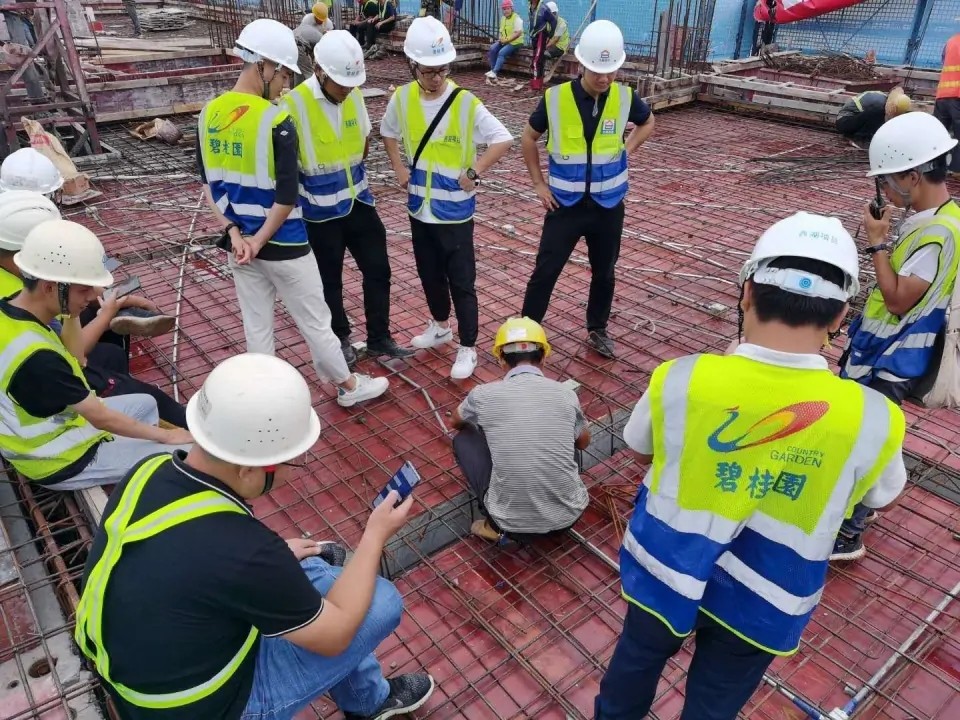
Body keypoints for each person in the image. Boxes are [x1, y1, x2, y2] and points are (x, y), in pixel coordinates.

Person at [596, 212, 907, 720]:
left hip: (667, 567)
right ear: (839, 317)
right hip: (768, 593)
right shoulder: (874, 417)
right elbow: (880, 495)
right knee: (714, 704)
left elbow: (640, 447)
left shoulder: (682, 378)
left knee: (635, 666)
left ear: (746, 293)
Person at [74, 352, 435, 720]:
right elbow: (336, 636)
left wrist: (277, 555)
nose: (294, 472)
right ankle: (365, 703)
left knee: (313, 572)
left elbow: (192, 557)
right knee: (380, 600)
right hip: (202, 708)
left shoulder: (149, 470)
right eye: (291, 461)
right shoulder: (246, 551)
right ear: (249, 470)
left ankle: (366, 700)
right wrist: (375, 534)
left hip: (138, 673)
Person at [197, 18, 388, 407]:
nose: (286, 83)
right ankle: (349, 387)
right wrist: (260, 239)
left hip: (240, 248)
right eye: (283, 72)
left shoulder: (208, 115)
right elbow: (286, 196)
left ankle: (265, 399)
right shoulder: (275, 118)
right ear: (263, 65)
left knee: (257, 327)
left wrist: (237, 236)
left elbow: (209, 185)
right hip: (283, 241)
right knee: (316, 321)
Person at [835, 111, 960, 561]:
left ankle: (846, 532)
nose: (884, 191)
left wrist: (876, 244)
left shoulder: (938, 233)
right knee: (865, 435)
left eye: (888, 181)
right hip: (884, 352)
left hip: (892, 359)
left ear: (913, 175)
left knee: (862, 442)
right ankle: (854, 514)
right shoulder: (941, 216)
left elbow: (896, 299)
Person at [0, 219, 192, 490]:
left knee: (146, 404)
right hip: (57, 458)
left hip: (63, 423)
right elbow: (98, 416)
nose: (93, 296)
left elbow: (76, 355)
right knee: (183, 454)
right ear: (49, 286)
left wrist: (71, 310)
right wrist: (166, 437)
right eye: (83, 289)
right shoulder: (37, 357)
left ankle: (134, 459)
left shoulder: (12, 309)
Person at [381, 16, 512, 380]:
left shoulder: (465, 103)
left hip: (454, 212)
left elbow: (503, 138)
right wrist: (398, 169)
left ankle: (467, 346)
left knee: (461, 280)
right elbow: (387, 132)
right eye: (428, 71)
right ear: (414, 67)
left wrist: (474, 172)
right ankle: (440, 326)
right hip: (420, 210)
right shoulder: (403, 98)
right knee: (429, 275)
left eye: (441, 70)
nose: (435, 77)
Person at [520, 20, 655, 359]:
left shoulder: (625, 97)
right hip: (564, 205)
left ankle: (597, 328)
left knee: (605, 271)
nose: (605, 78)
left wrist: (627, 149)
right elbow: (527, 138)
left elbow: (648, 122)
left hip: (608, 206)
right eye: (597, 71)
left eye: (610, 71)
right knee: (546, 271)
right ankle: (528, 331)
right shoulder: (556, 99)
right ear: (581, 65)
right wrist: (538, 184)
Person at [281, 31, 413, 368]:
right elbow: (284, 167)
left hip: (359, 203)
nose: (347, 89)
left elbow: (363, 141)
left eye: (351, 83)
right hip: (319, 213)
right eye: (341, 83)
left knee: (378, 270)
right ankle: (340, 338)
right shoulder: (292, 105)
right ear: (319, 70)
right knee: (330, 282)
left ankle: (379, 338)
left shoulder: (352, 95)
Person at [0, 192, 187, 427]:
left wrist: (100, 297)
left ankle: (117, 373)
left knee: (112, 348)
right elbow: (73, 356)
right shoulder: (16, 300)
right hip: (52, 389)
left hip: (48, 356)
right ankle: (178, 422)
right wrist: (105, 313)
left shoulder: (22, 279)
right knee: (150, 399)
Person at [0, 148, 176, 341]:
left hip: (54, 311)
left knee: (94, 300)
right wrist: (110, 312)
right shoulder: (23, 291)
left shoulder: (9, 230)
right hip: (51, 339)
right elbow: (72, 351)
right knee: (111, 345)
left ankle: (119, 310)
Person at [451, 317, 590, 542]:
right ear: (543, 357)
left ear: (501, 361)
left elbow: (455, 422)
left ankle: (491, 525)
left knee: (463, 439)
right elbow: (583, 442)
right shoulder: (565, 394)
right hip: (570, 516)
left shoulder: (483, 394)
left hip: (510, 524)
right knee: (567, 434)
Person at [835, 86, 910, 148]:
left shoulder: (883, 99)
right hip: (844, 122)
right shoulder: (878, 104)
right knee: (876, 112)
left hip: (855, 121)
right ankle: (859, 140)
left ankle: (862, 137)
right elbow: (874, 120)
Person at [933, 32, 960, 176]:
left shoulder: (951, 41)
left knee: (939, 135)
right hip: (958, 97)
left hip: (943, 95)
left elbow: (944, 62)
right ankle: (957, 170)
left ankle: (934, 168)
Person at [485, 0, 523, 84]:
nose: (505, 11)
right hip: (506, 41)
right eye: (504, 9)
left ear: (511, 9)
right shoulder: (503, 18)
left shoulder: (517, 18)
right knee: (492, 48)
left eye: (507, 8)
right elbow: (502, 31)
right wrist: (501, 39)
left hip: (516, 42)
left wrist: (506, 40)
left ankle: (495, 72)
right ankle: (492, 70)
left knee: (501, 52)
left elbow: (517, 33)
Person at [528, 0, 557, 92]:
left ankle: (535, 85)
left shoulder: (544, 8)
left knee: (536, 60)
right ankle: (539, 83)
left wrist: (550, 35)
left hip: (541, 35)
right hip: (534, 36)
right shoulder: (530, 7)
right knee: (537, 60)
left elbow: (553, 21)